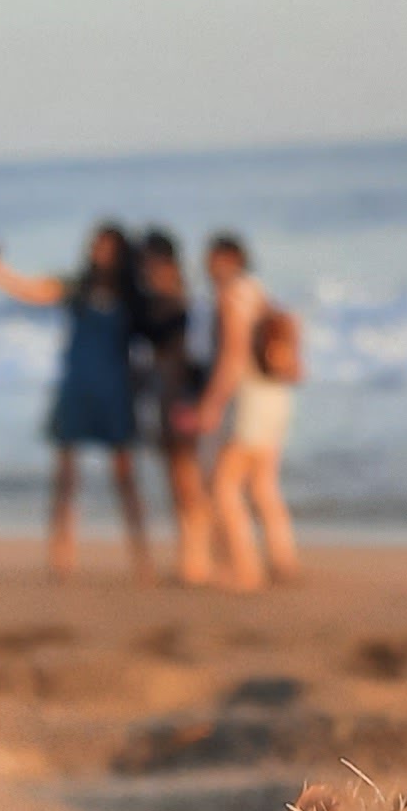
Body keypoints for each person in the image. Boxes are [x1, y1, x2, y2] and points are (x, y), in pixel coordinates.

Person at [0, 221, 152, 579]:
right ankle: (61, 555)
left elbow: (155, 340)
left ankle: (141, 556)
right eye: (95, 245)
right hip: (77, 387)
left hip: (114, 392)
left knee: (124, 476)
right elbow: (33, 290)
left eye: (106, 246)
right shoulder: (78, 287)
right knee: (66, 477)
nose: (98, 252)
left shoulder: (132, 296)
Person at [191, 230, 304, 589]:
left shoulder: (231, 297)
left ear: (227, 260)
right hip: (276, 396)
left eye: (211, 258)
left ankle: (246, 567)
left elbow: (233, 355)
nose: (205, 266)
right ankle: (283, 559)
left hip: (249, 399)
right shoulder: (260, 292)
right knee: (263, 484)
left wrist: (210, 404)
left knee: (224, 485)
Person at [129, 226, 219, 586]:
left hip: (181, 397)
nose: (149, 270)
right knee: (178, 476)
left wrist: (193, 401)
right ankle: (191, 554)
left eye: (153, 262)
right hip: (167, 397)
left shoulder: (184, 304)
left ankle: (197, 557)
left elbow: (195, 358)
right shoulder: (166, 301)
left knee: (187, 478)